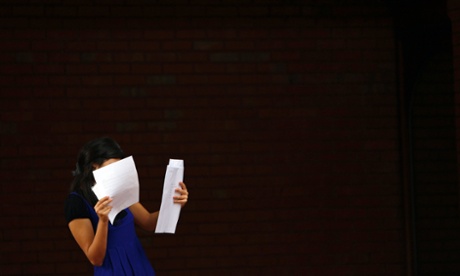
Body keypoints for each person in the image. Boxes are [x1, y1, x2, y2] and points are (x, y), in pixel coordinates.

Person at [64, 137, 188, 275]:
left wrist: (174, 204)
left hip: (139, 266)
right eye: (112, 166)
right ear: (95, 165)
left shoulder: (119, 188)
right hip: (112, 270)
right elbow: (95, 259)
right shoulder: (76, 202)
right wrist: (103, 222)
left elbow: (148, 222)